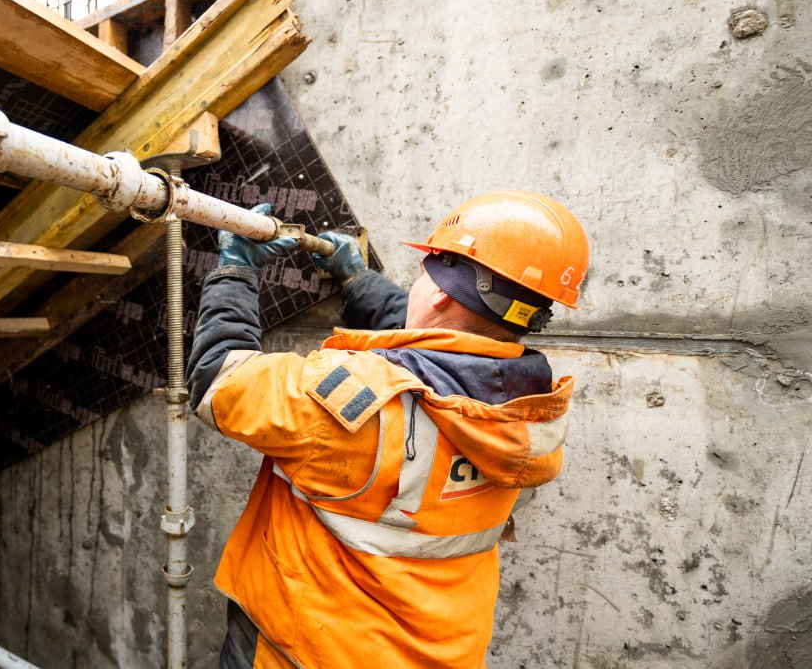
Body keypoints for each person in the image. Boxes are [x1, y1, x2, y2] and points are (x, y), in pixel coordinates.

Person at [187, 190, 589, 668]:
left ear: (440, 291)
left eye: (424, 274)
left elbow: (219, 378)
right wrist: (357, 280)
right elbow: (447, 349)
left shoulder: (354, 402)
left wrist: (236, 267)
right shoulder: (528, 413)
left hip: (303, 651)